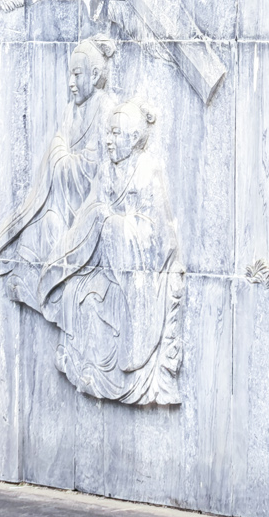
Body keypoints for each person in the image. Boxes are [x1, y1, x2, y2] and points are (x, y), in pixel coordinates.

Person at [32, 97, 186, 406]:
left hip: (138, 271)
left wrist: (114, 224)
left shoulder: (147, 171)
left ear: (133, 138)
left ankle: (129, 368)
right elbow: (88, 214)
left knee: (105, 296)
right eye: (108, 132)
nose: (109, 140)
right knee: (79, 294)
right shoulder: (106, 170)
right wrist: (95, 224)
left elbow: (160, 235)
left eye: (116, 133)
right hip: (105, 260)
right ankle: (90, 370)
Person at [0, 35, 119, 301]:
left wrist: (60, 158)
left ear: (94, 75)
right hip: (60, 201)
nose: (71, 83)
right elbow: (58, 145)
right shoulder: (69, 110)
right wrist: (59, 155)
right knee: (35, 232)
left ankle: (52, 295)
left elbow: (92, 165)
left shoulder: (105, 107)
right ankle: (33, 288)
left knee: (55, 233)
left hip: (83, 206)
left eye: (77, 74)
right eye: (70, 75)